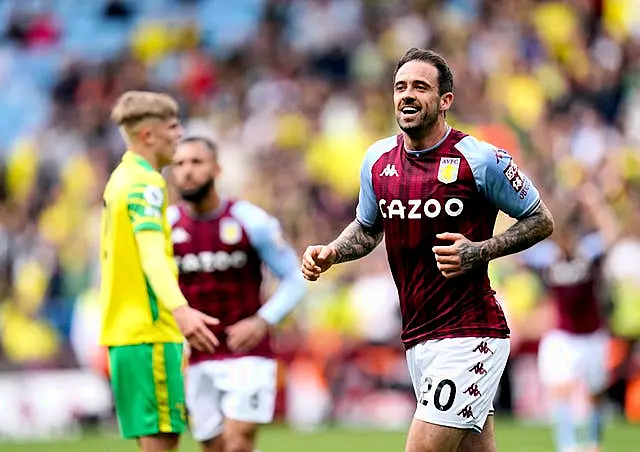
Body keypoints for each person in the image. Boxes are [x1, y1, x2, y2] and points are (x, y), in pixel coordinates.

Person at [301, 48, 554, 452]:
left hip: (471, 332)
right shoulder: (377, 160)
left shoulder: (479, 158)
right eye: (400, 87)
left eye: (420, 87)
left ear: (445, 100)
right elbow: (368, 229)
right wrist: (332, 252)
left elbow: (540, 219)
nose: (407, 95)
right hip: (419, 337)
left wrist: (480, 251)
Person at [169, 136, 307, 452]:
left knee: (238, 440)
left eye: (196, 162)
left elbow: (294, 278)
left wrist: (263, 320)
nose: (187, 171)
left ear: (216, 169)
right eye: (179, 164)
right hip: (196, 355)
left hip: (247, 351)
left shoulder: (250, 220)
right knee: (214, 446)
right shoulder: (167, 226)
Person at [100, 91, 219, 452]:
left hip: (125, 333)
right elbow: (151, 254)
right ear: (148, 135)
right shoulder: (145, 184)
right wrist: (180, 310)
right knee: (161, 441)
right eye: (173, 126)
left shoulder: (120, 177)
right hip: (149, 332)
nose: (180, 133)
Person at [524, 185, 619, 452]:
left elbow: (611, 234)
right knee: (560, 390)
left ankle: (594, 442)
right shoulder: (546, 258)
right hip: (563, 336)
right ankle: (567, 446)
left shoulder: (589, 253)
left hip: (592, 335)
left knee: (596, 393)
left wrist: (596, 203)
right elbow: (517, 248)